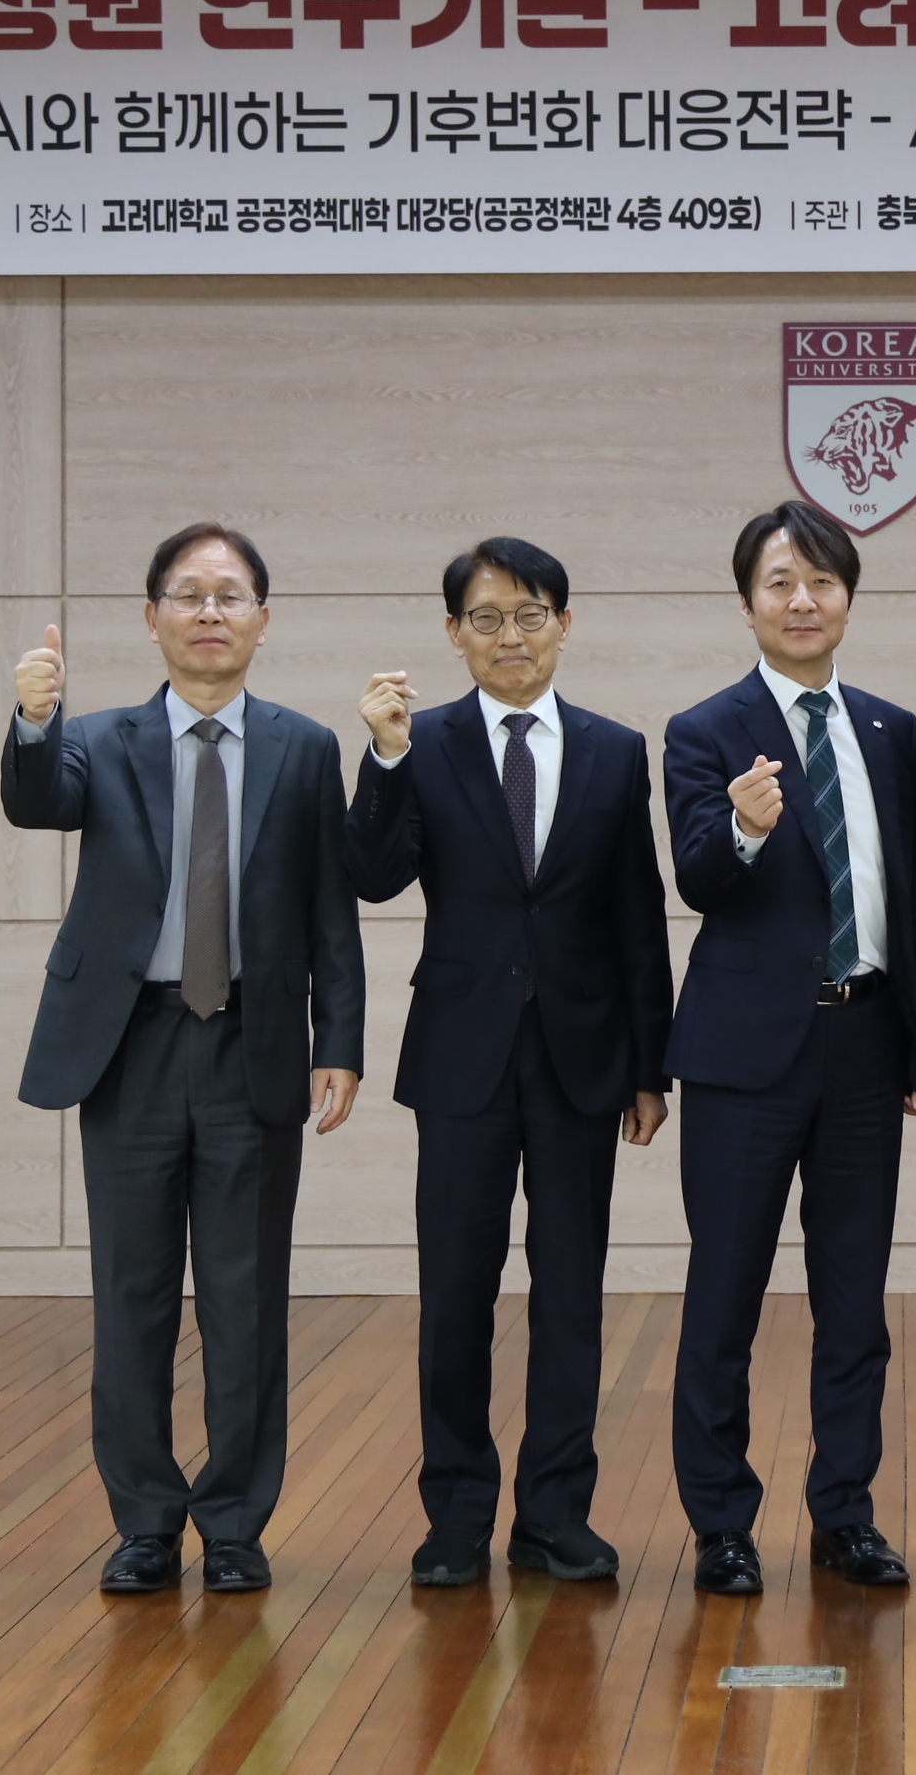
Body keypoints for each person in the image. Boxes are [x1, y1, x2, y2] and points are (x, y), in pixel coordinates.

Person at [2, 523, 363, 1597]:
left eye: (230, 594)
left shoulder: (304, 748)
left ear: (263, 618)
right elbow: (36, 801)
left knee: (246, 1300)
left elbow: (329, 907)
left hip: (255, 1040)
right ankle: (147, 1523)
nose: (210, 611)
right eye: (189, 594)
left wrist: (338, 1040)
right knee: (133, 1294)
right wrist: (33, 721)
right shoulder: (98, 741)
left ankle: (237, 1522)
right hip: (130, 1045)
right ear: (152, 617)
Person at [348, 536, 675, 1589]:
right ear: (454, 634)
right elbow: (373, 874)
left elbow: (638, 916)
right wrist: (383, 759)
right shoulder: (423, 741)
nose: (511, 636)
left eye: (531, 614)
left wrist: (650, 1065)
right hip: (462, 1058)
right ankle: (455, 1515)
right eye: (486, 618)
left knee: (570, 1292)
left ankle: (554, 1514)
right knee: (456, 1291)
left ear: (564, 625)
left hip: (584, 1056)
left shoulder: (616, 750)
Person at [660, 500, 916, 1595]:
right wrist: (741, 826)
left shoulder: (888, 728)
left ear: (848, 599)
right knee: (723, 1296)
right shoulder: (703, 729)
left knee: (854, 1301)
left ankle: (846, 1514)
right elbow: (698, 878)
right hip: (744, 1055)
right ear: (748, 603)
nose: (802, 600)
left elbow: (908, 888)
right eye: (780, 582)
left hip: (866, 1041)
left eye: (822, 581)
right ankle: (721, 1524)